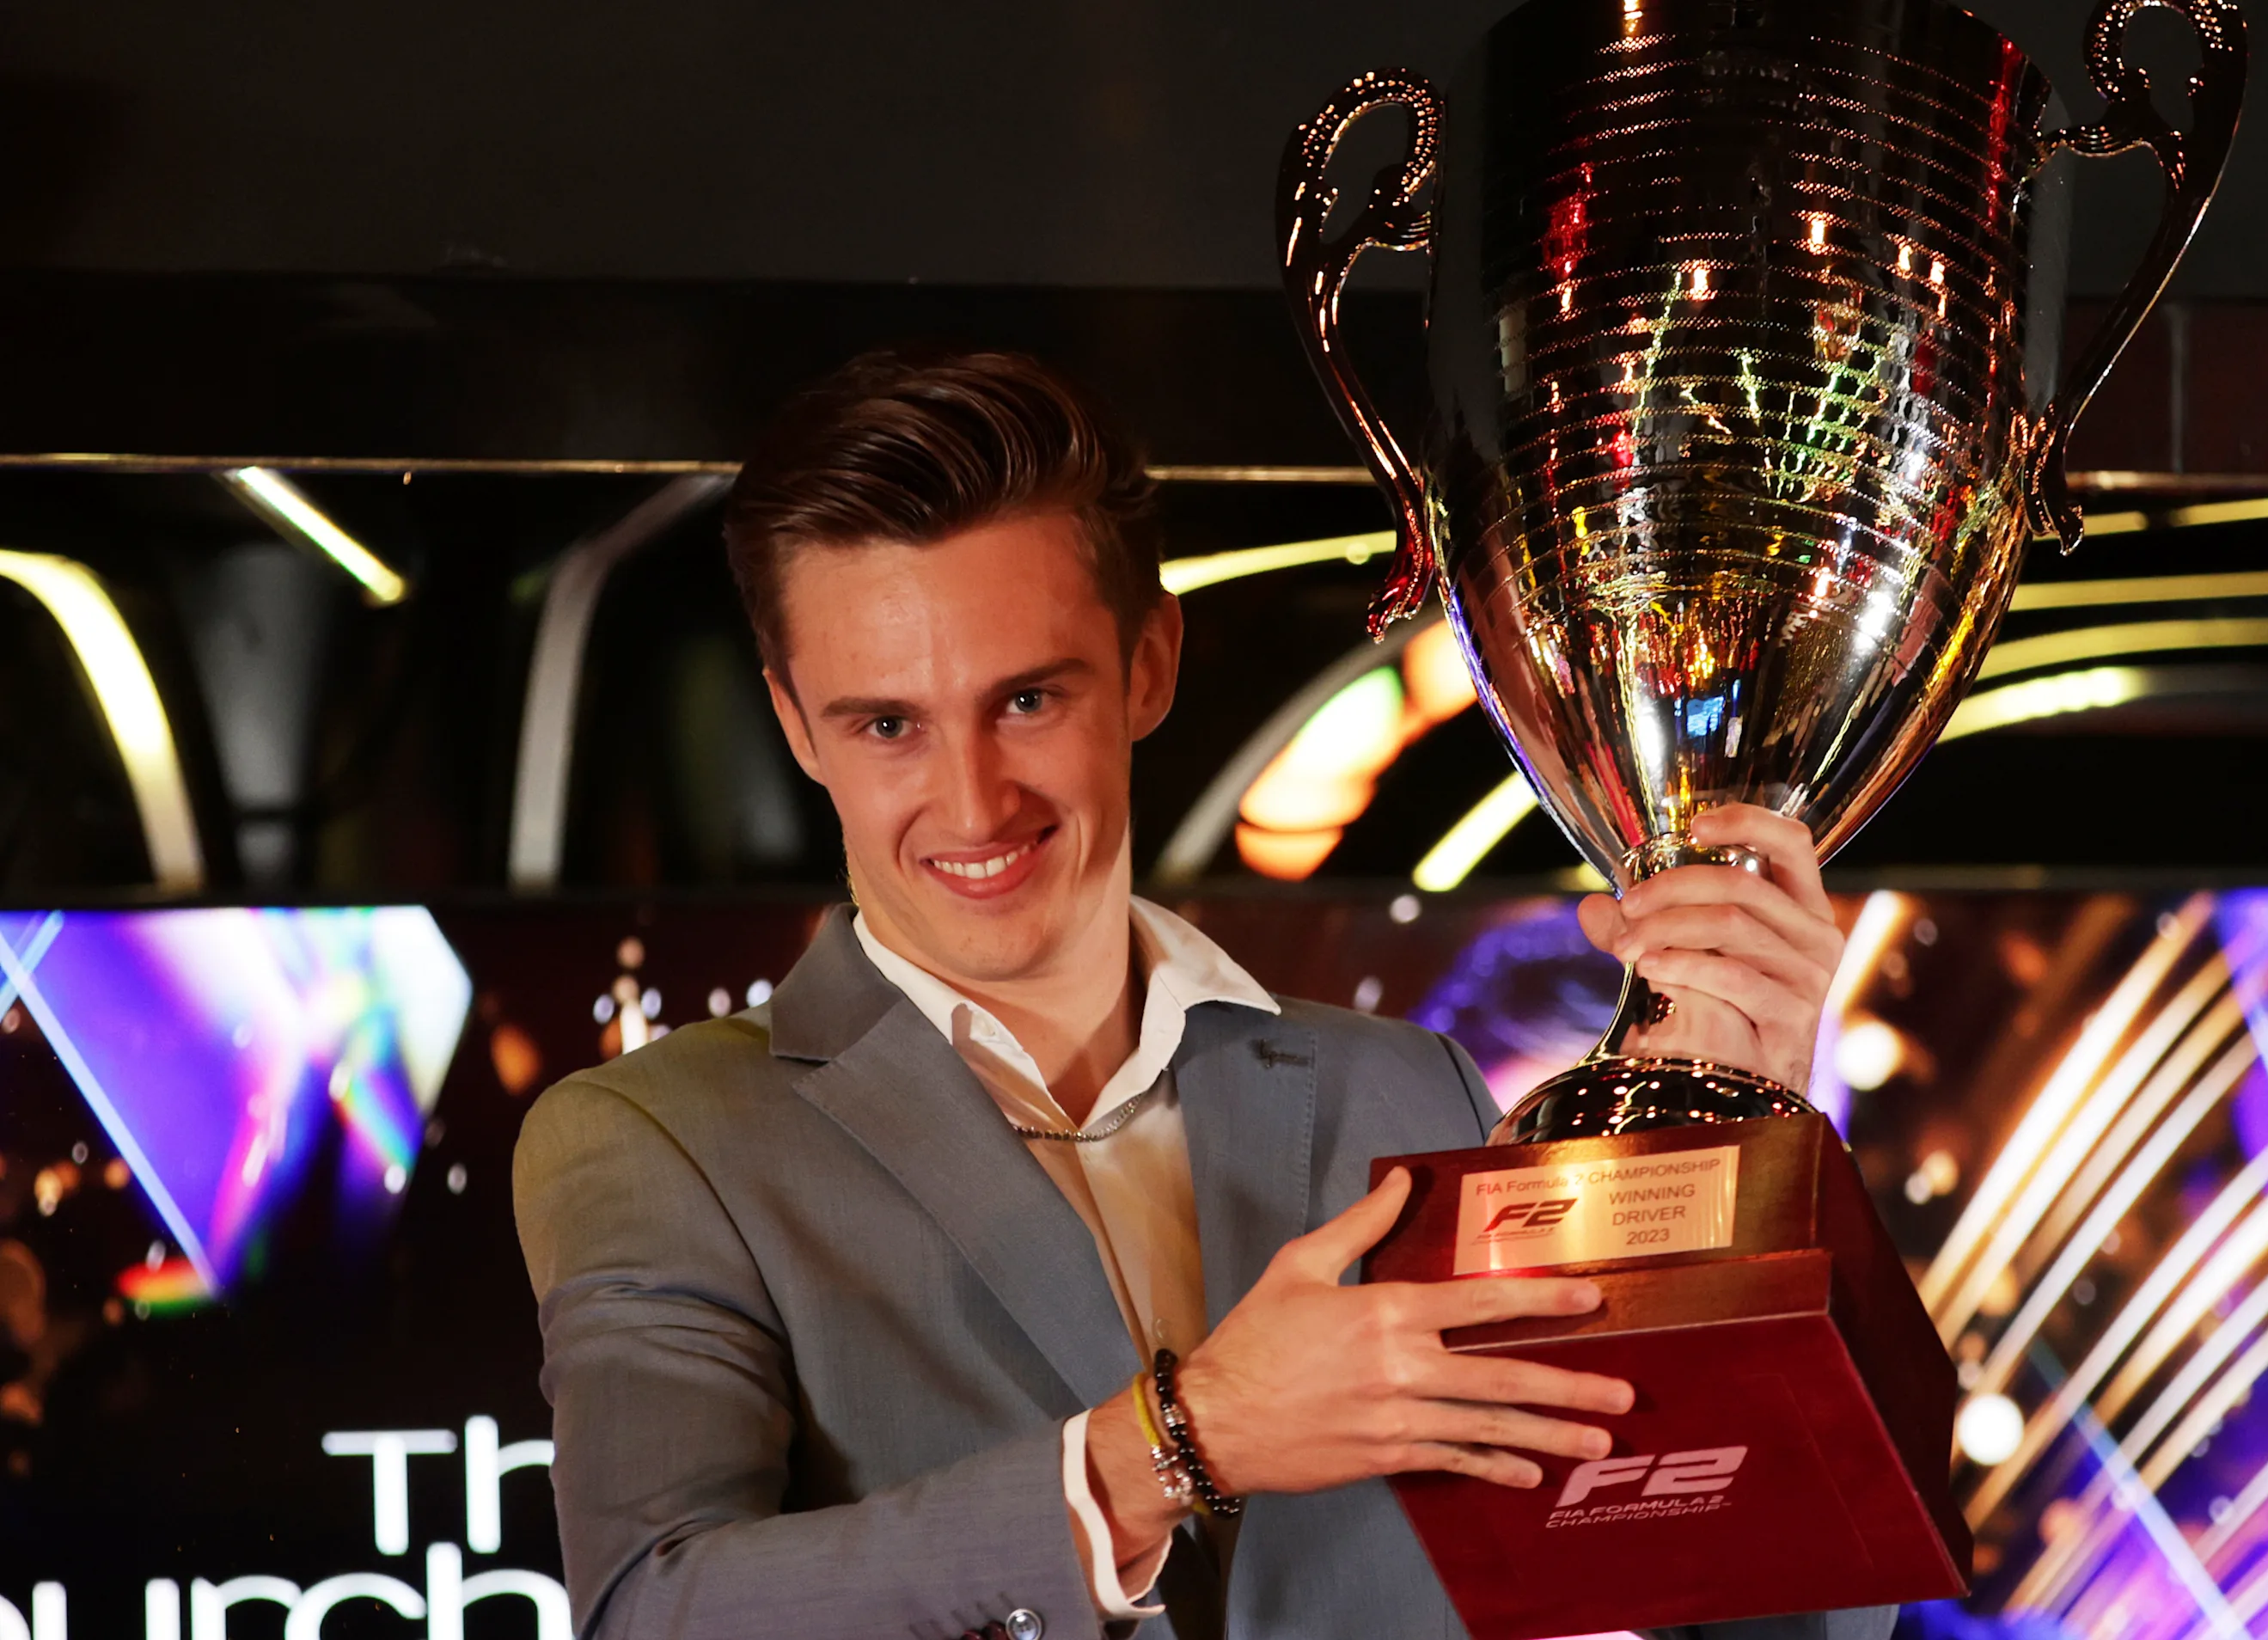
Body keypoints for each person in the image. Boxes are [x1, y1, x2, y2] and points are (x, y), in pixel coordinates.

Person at [512, 350, 1892, 1640]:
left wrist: (1753, 1174)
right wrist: (1175, 1447)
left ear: (1148, 667)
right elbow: (656, 1609)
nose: (973, 798)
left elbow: (1731, 1590)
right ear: (796, 726)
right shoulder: (660, 1138)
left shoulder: (1410, 1089)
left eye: (1029, 701)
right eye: (889, 725)